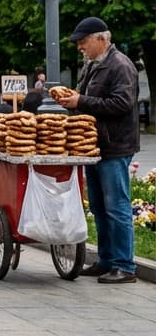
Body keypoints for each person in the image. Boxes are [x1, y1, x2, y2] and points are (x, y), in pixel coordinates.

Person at [54, 16, 140, 284]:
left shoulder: (120, 65)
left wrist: (81, 100)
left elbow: (121, 104)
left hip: (115, 146)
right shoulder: (92, 65)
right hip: (93, 147)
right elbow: (90, 102)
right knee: (100, 208)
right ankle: (106, 260)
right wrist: (73, 102)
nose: (80, 47)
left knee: (117, 207)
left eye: (83, 42)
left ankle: (124, 265)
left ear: (102, 39)